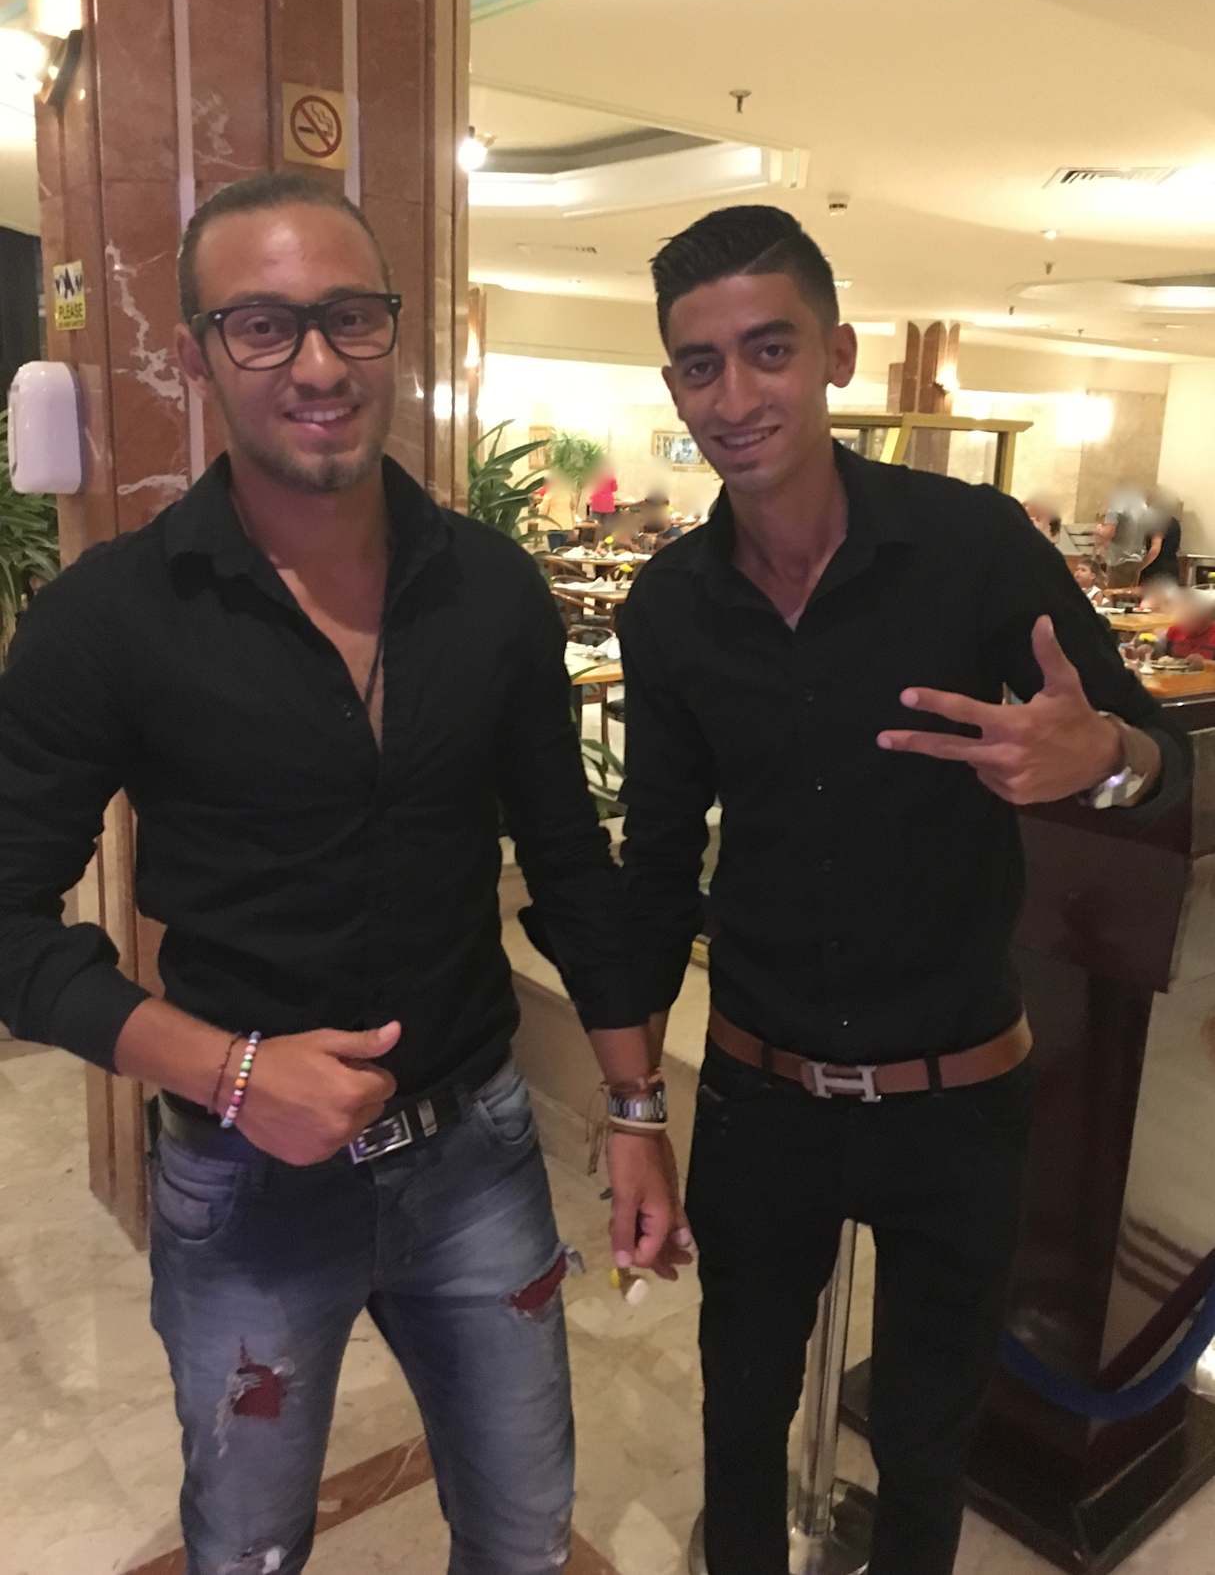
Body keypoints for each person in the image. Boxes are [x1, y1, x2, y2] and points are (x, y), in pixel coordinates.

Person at [0, 172, 689, 1575]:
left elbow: (568, 865)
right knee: (249, 1548)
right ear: (196, 354)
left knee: (521, 1533)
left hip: (479, 1155)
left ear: (393, 334)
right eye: (262, 325)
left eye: (349, 317)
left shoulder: (491, 591)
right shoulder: (110, 619)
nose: (316, 364)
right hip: (242, 1179)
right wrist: (230, 1072)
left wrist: (633, 1107)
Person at [617, 204, 1190, 1575]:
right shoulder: (669, 609)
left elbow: (1155, 754)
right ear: (674, 386)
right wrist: (632, 1110)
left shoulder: (972, 545)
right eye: (700, 364)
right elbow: (654, 867)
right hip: (759, 1094)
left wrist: (1102, 758)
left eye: (769, 350)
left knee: (931, 1442)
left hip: (958, 1096)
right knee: (738, 1422)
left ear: (837, 355)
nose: (734, 396)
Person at [1139, 492, 1183, 584]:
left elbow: (1155, 549)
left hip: (1156, 571)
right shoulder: (1174, 521)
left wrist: (1140, 567)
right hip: (1172, 568)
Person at [1163, 589, 1215, 665]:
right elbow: (1163, 658)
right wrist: (1149, 651)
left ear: (1208, 617)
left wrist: (1204, 662)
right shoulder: (1174, 631)